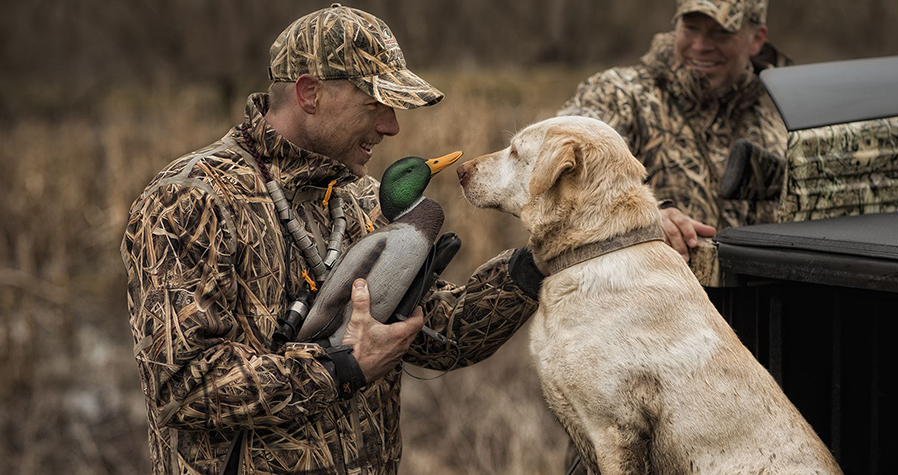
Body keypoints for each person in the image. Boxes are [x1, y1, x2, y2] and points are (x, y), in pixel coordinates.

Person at [120, 5, 542, 474]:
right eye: (375, 105)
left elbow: (436, 336)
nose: (391, 127)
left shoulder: (360, 196)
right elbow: (182, 387)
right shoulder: (191, 200)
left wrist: (537, 263)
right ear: (310, 93)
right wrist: (339, 367)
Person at [558, 0, 790, 263]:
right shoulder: (617, 94)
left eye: (721, 33)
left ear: (757, 39)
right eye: (691, 28)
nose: (701, 45)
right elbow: (564, 172)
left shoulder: (776, 131)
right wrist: (650, 214)